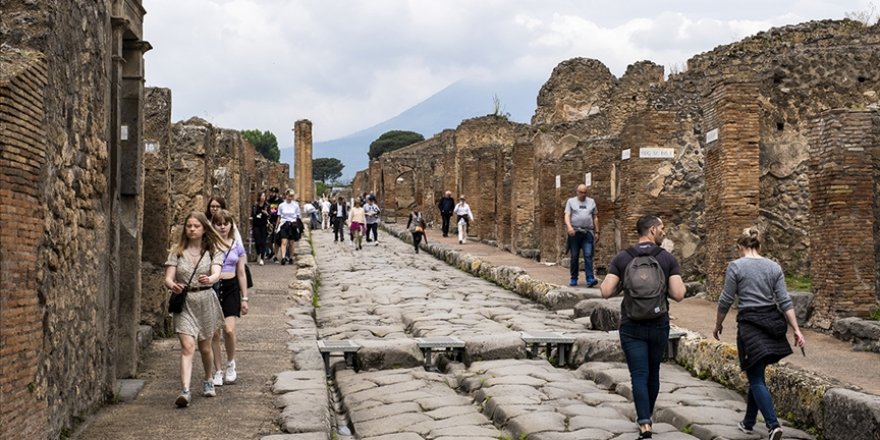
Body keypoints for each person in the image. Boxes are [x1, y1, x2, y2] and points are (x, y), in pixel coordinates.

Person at [713, 227, 805, 440]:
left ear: (740, 247)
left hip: (750, 325)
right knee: (757, 374)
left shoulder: (736, 266)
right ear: (759, 246)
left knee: (755, 377)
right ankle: (748, 422)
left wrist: (718, 324)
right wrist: (797, 330)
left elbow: (726, 299)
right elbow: (784, 301)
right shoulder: (774, 266)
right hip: (772, 323)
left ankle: (773, 425)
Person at [599, 214, 686, 439]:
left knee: (638, 373)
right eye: (662, 228)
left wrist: (625, 286)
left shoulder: (623, 258)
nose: (664, 232)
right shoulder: (666, 259)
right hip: (659, 324)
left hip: (631, 324)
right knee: (653, 373)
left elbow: (606, 291)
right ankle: (647, 415)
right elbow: (678, 295)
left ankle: (644, 422)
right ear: (652, 230)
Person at [164, 212, 227, 408]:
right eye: (189, 226)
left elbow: (216, 272)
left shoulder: (212, 250)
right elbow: (168, 277)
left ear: (203, 229)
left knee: (205, 347)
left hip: (205, 300)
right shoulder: (177, 251)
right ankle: (185, 390)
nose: (191, 229)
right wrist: (172, 285)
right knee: (187, 347)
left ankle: (208, 378)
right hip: (185, 302)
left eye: (196, 226)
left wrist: (211, 278)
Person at [210, 210, 250, 387]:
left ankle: (231, 363)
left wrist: (245, 298)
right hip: (213, 288)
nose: (222, 226)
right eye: (218, 224)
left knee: (228, 330)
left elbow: (241, 273)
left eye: (226, 223)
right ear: (214, 226)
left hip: (231, 287)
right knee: (214, 333)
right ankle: (218, 370)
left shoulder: (236, 245)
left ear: (230, 225)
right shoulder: (209, 245)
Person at [564, 184, 600, 287]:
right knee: (574, 256)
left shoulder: (591, 202)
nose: (583, 194)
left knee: (588, 255)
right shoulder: (571, 202)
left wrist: (597, 231)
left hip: (587, 232)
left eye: (585, 192)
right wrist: (569, 227)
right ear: (577, 192)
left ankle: (590, 278)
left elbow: (595, 217)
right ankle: (574, 278)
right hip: (574, 232)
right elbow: (567, 215)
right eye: (581, 192)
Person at [275, 189, 301, 265]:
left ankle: (291, 257)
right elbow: (279, 217)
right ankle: (283, 257)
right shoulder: (281, 205)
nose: (290, 197)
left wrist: (298, 227)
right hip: (284, 224)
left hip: (292, 224)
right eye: (289, 196)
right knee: (284, 241)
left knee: (291, 242)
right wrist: (277, 227)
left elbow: (297, 216)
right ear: (286, 196)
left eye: (292, 196)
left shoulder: (296, 205)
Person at [252, 192, 270, 265]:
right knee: (257, 241)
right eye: (262, 196)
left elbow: (270, 215)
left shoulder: (267, 205)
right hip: (256, 225)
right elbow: (253, 214)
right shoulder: (255, 205)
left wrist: (266, 213)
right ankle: (258, 253)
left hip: (264, 225)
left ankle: (262, 257)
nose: (263, 197)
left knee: (263, 242)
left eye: (264, 196)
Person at [267, 187, 283, 262]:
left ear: (277, 193)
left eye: (274, 193)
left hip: (277, 221)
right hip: (269, 221)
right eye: (271, 192)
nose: (272, 194)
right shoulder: (268, 201)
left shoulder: (280, 201)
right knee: (269, 239)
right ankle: (272, 251)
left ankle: (275, 253)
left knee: (276, 239)